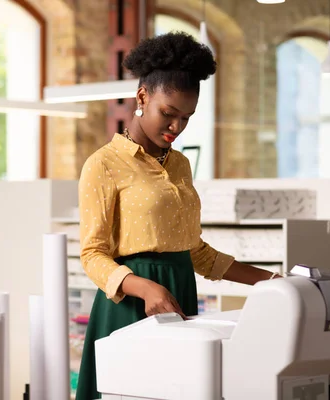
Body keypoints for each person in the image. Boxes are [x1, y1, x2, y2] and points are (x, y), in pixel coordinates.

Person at [74, 31, 283, 400]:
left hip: (180, 295)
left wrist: (272, 282)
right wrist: (144, 287)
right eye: (168, 114)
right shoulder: (103, 164)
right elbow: (92, 254)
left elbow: (196, 251)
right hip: (131, 302)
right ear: (142, 97)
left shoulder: (181, 165)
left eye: (186, 118)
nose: (176, 127)